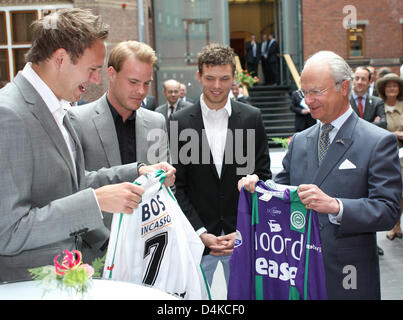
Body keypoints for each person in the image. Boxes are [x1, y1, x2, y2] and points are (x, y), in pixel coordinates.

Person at [0, 8, 175, 282]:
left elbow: (72, 183)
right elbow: (7, 232)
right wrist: (95, 203)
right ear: (60, 59)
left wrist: (137, 171)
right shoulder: (8, 114)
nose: (96, 79)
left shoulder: (59, 109)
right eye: (92, 69)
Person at [239, 51, 402, 299]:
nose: (309, 100)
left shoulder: (377, 141)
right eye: (305, 92)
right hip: (297, 273)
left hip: (348, 277)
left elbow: (388, 211)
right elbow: (281, 191)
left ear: (344, 87)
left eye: (317, 91)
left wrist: (336, 207)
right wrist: (258, 187)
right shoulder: (300, 142)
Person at [171, 43, 271, 292]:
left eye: (224, 78)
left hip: (241, 238)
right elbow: (178, 186)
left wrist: (241, 230)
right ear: (198, 76)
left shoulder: (251, 118)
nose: (217, 86)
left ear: (234, 77)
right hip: (197, 240)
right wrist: (200, 232)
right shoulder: (179, 122)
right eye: (210, 78)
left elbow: (264, 176)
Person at [69, 41, 170, 263]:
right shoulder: (77, 120)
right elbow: (74, 186)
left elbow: (162, 189)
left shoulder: (157, 122)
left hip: (151, 251)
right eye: (133, 82)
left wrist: (167, 177)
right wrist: (108, 242)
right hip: (96, 253)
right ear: (111, 74)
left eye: (146, 83)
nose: (141, 91)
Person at [376, 73, 403, 240]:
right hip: (386, 156)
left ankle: (398, 224)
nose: (392, 89)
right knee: (392, 191)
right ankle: (393, 226)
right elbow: (375, 130)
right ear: (383, 89)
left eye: (395, 86)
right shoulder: (379, 106)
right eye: (388, 86)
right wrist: (395, 134)